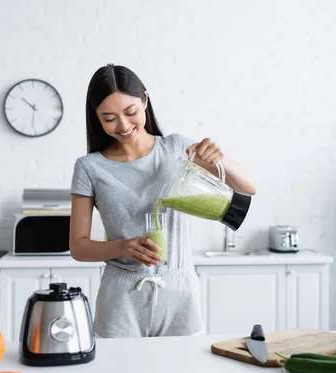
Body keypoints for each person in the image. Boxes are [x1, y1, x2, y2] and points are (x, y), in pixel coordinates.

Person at [69, 64, 256, 338]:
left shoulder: (178, 149)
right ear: (96, 118)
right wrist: (122, 247)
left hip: (180, 292)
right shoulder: (89, 167)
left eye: (130, 112)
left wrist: (219, 156)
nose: (123, 125)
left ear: (145, 100)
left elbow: (248, 187)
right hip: (121, 298)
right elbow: (78, 247)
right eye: (109, 118)